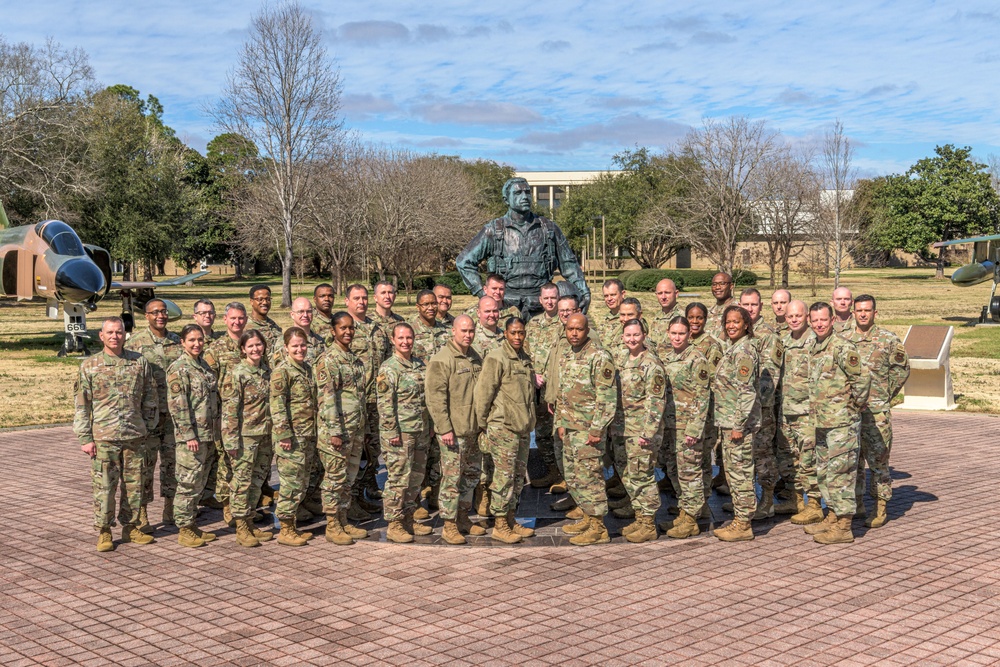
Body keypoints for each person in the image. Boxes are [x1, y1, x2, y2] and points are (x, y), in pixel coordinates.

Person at [75, 317, 158, 552]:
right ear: (101, 336)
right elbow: (82, 405)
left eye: (119, 332)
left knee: (134, 486)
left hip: (135, 436)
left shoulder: (139, 362)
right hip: (104, 437)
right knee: (105, 487)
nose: (115, 336)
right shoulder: (90, 366)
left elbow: (150, 399)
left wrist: (147, 428)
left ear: (125, 335)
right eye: (110, 332)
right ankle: (104, 531)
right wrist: (85, 438)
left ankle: (131, 527)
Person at [456, 176, 590, 317]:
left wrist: (583, 291)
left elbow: (569, 264)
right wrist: (482, 294)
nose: (525, 197)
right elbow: (464, 262)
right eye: (518, 193)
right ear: (506, 199)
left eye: (527, 192)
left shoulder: (549, 229)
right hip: (505, 310)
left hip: (542, 309)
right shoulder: (493, 231)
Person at [544, 314, 616, 546]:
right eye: (570, 329)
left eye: (579, 329)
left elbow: (606, 398)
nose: (574, 333)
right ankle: (587, 515)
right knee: (575, 477)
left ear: (587, 330)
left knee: (591, 478)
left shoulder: (599, 356)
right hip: (570, 429)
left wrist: (596, 429)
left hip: (588, 432)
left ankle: (599, 528)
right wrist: (562, 424)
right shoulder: (567, 354)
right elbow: (564, 393)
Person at [804, 302, 871, 544]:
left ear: (833, 320)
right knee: (826, 473)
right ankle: (832, 515)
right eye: (815, 320)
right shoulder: (815, 345)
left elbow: (862, 379)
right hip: (822, 422)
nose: (819, 324)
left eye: (823, 319)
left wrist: (854, 406)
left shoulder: (842, 347)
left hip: (841, 424)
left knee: (841, 475)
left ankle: (844, 526)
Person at [846, 295, 909, 528]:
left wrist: (883, 395)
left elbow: (901, 371)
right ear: (853, 313)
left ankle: (881, 506)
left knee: (878, 460)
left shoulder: (889, 340)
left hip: (876, 412)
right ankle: (857, 504)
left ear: (875, 312)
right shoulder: (844, 339)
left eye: (867, 310)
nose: (863, 314)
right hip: (851, 411)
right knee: (853, 460)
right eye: (859, 310)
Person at [474, 317, 537, 544]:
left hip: (521, 428)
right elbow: (483, 394)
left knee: (518, 478)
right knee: (503, 478)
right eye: (513, 333)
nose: (518, 337)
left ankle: (511, 519)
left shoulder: (524, 359)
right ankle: (500, 524)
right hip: (503, 428)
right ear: (505, 334)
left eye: (521, 333)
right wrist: (483, 424)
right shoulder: (497, 358)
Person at [426, 315, 486, 544]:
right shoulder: (442, 360)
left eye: (471, 331)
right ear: (453, 331)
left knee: (470, 477)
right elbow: (435, 399)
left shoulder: (474, 357)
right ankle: (449, 524)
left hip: (472, 430)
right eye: (464, 331)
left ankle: (463, 517)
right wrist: (444, 429)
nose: (468, 335)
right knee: (451, 480)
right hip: (453, 432)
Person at [124, 298, 182, 532]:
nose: (161, 315)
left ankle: (171, 508)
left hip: (174, 416)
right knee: (144, 466)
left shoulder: (177, 341)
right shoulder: (136, 344)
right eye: (155, 312)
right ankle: (142, 513)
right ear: (146, 316)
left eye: (164, 312)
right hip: (148, 416)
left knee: (173, 464)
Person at [314, 312, 370, 545]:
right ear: (333, 331)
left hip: (354, 430)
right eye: (343, 328)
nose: (348, 332)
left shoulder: (354, 359)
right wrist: (335, 432)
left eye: (351, 328)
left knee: (348, 478)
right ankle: (332, 524)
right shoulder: (328, 360)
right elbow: (327, 400)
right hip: (336, 432)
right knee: (334, 479)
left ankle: (343, 518)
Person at [609, 319, 666, 543]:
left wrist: (648, 433)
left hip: (641, 432)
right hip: (622, 430)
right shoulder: (620, 360)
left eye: (636, 335)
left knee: (643, 475)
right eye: (628, 335)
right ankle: (640, 516)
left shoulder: (652, 364)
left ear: (644, 335)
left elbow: (656, 401)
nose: (632, 339)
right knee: (628, 474)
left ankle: (649, 523)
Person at [377, 323, 434, 543]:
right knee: (398, 479)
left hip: (419, 431)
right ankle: (394, 523)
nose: (405, 342)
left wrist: (428, 426)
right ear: (393, 340)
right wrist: (392, 432)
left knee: (415, 478)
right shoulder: (389, 368)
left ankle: (409, 518)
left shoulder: (420, 365)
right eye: (401, 338)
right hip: (400, 434)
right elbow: (385, 405)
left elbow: (426, 399)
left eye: (409, 337)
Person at [659, 317, 712, 539]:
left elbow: (702, 396)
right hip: (671, 424)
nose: (677, 337)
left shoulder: (696, 359)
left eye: (681, 333)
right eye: (673, 333)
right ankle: (685, 509)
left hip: (688, 426)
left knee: (689, 472)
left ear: (689, 334)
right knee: (674, 470)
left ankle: (691, 519)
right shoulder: (668, 356)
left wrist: (694, 429)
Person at [167, 324, 219, 548]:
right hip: (192, 437)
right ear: (182, 342)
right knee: (188, 482)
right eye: (191, 340)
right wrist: (189, 435)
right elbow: (178, 406)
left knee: (198, 481)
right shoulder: (179, 369)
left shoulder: (203, 365)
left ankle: (192, 524)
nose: (197, 344)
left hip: (207, 434)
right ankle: (184, 528)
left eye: (199, 340)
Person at [221, 330, 275, 547]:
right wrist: (231, 441)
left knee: (256, 482)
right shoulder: (237, 374)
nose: (255, 349)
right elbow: (230, 410)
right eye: (251, 346)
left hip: (265, 435)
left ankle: (250, 520)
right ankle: (241, 526)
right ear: (243, 349)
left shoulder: (266, 371)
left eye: (258, 345)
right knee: (241, 483)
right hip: (244, 437)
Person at [712, 305, 761, 542]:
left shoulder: (744, 353)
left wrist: (738, 425)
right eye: (728, 322)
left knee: (740, 473)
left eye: (736, 322)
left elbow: (746, 392)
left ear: (746, 325)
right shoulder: (734, 348)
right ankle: (741, 516)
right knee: (733, 472)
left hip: (738, 426)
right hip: (729, 422)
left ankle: (743, 523)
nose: (731, 326)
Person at [343, 284, 391, 521]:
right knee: (355, 453)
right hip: (355, 403)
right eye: (356, 298)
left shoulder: (377, 329)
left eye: (363, 298)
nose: (361, 302)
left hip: (376, 402)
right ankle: (350, 500)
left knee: (372, 452)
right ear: (347, 301)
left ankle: (360, 494)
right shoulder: (345, 328)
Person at [269, 327, 319, 547]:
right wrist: (283, 434)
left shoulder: (308, 369)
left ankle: (293, 523)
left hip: (307, 435)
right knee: (290, 483)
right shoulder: (283, 371)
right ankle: (286, 528)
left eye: (302, 345)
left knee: (301, 481)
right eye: (295, 346)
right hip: (291, 437)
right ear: (286, 348)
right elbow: (277, 405)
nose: (300, 349)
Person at [777, 300, 823, 524]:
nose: (794, 319)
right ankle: (794, 499)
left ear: (806, 317)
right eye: (789, 316)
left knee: (809, 459)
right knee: (788, 458)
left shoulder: (815, 342)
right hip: (786, 411)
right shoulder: (783, 342)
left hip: (807, 412)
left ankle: (814, 503)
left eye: (798, 316)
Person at [204, 302, 249, 524]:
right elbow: (209, 385)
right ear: (225, 320)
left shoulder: (252, 344)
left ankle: (245, 506)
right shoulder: (216, 349)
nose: (237, 322)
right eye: (233, 318)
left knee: (247, 463)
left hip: (251, 416)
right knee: (227, 462)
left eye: (241, 318)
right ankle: (228, 505)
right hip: (227, 416)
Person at [738, 288, 782, 518]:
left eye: (753, 305)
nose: (749, 309)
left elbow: (769, 377)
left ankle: (767, 500)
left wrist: (754, 405)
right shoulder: (737, 333)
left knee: (763, 454)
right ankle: (748, 502)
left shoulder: (768, 335)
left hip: (760, 409)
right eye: (745, 304)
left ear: (761, 306)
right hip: (740, 410)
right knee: (744, 456)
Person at [408, 289, 450, 513]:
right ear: (418, 307)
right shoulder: (410, 330)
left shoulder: (446, 331)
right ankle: (414, 500)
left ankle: (436, 493)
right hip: (418, 402)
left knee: (440, 452)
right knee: (418, 452)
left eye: (434, 303)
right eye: (426, 304)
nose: (431, 307)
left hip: (442, 400)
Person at [524, 283, 563, 490]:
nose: (550, 301)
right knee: (541, 433)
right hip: (537, 390)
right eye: (546, 298)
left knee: (560, 433)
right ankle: (552, 471)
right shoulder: (533, 324)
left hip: (558, 390)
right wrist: (533, 375)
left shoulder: (565, 322)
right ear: (540, 300)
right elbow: (525, 354)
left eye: (553, 298)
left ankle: (565, 474)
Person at [685, 302, 724, 498]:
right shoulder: (682, 340)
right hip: (684, 410)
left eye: (699, 317)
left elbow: (713, 379)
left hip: (704, 411)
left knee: (702, 458)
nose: (694, 321)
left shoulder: (711, 345)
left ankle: (704, 498)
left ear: (705, 320)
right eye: (691, 317)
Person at [272, 297, 325, 366]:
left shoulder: (320, 341)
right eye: (301, 312)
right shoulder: (284, 341)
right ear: (292, 315)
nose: (305, 315)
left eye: (309, 311)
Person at [246, 284, 282, 350]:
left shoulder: (273, 325)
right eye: (260, 299)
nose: (265, 302)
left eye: (268, 299)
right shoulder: (246, 327)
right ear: (251, 301)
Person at [648, 278, 682, 351]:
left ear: (676, 294)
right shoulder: (657, 317)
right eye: (660, 293)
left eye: (667, 293)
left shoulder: (683, 317)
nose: (663, 297)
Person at [595, 279, 626, 350]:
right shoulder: (604, 320)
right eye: (606, 296)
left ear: (623, 294)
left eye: (613, 295)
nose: (609, 299)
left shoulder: (630, 317)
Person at [706, 273, 735, 341]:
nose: (717, 287)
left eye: (722, 283)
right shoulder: (708, 312)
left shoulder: (737, 311)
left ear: (731, 286)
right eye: (714, 284)